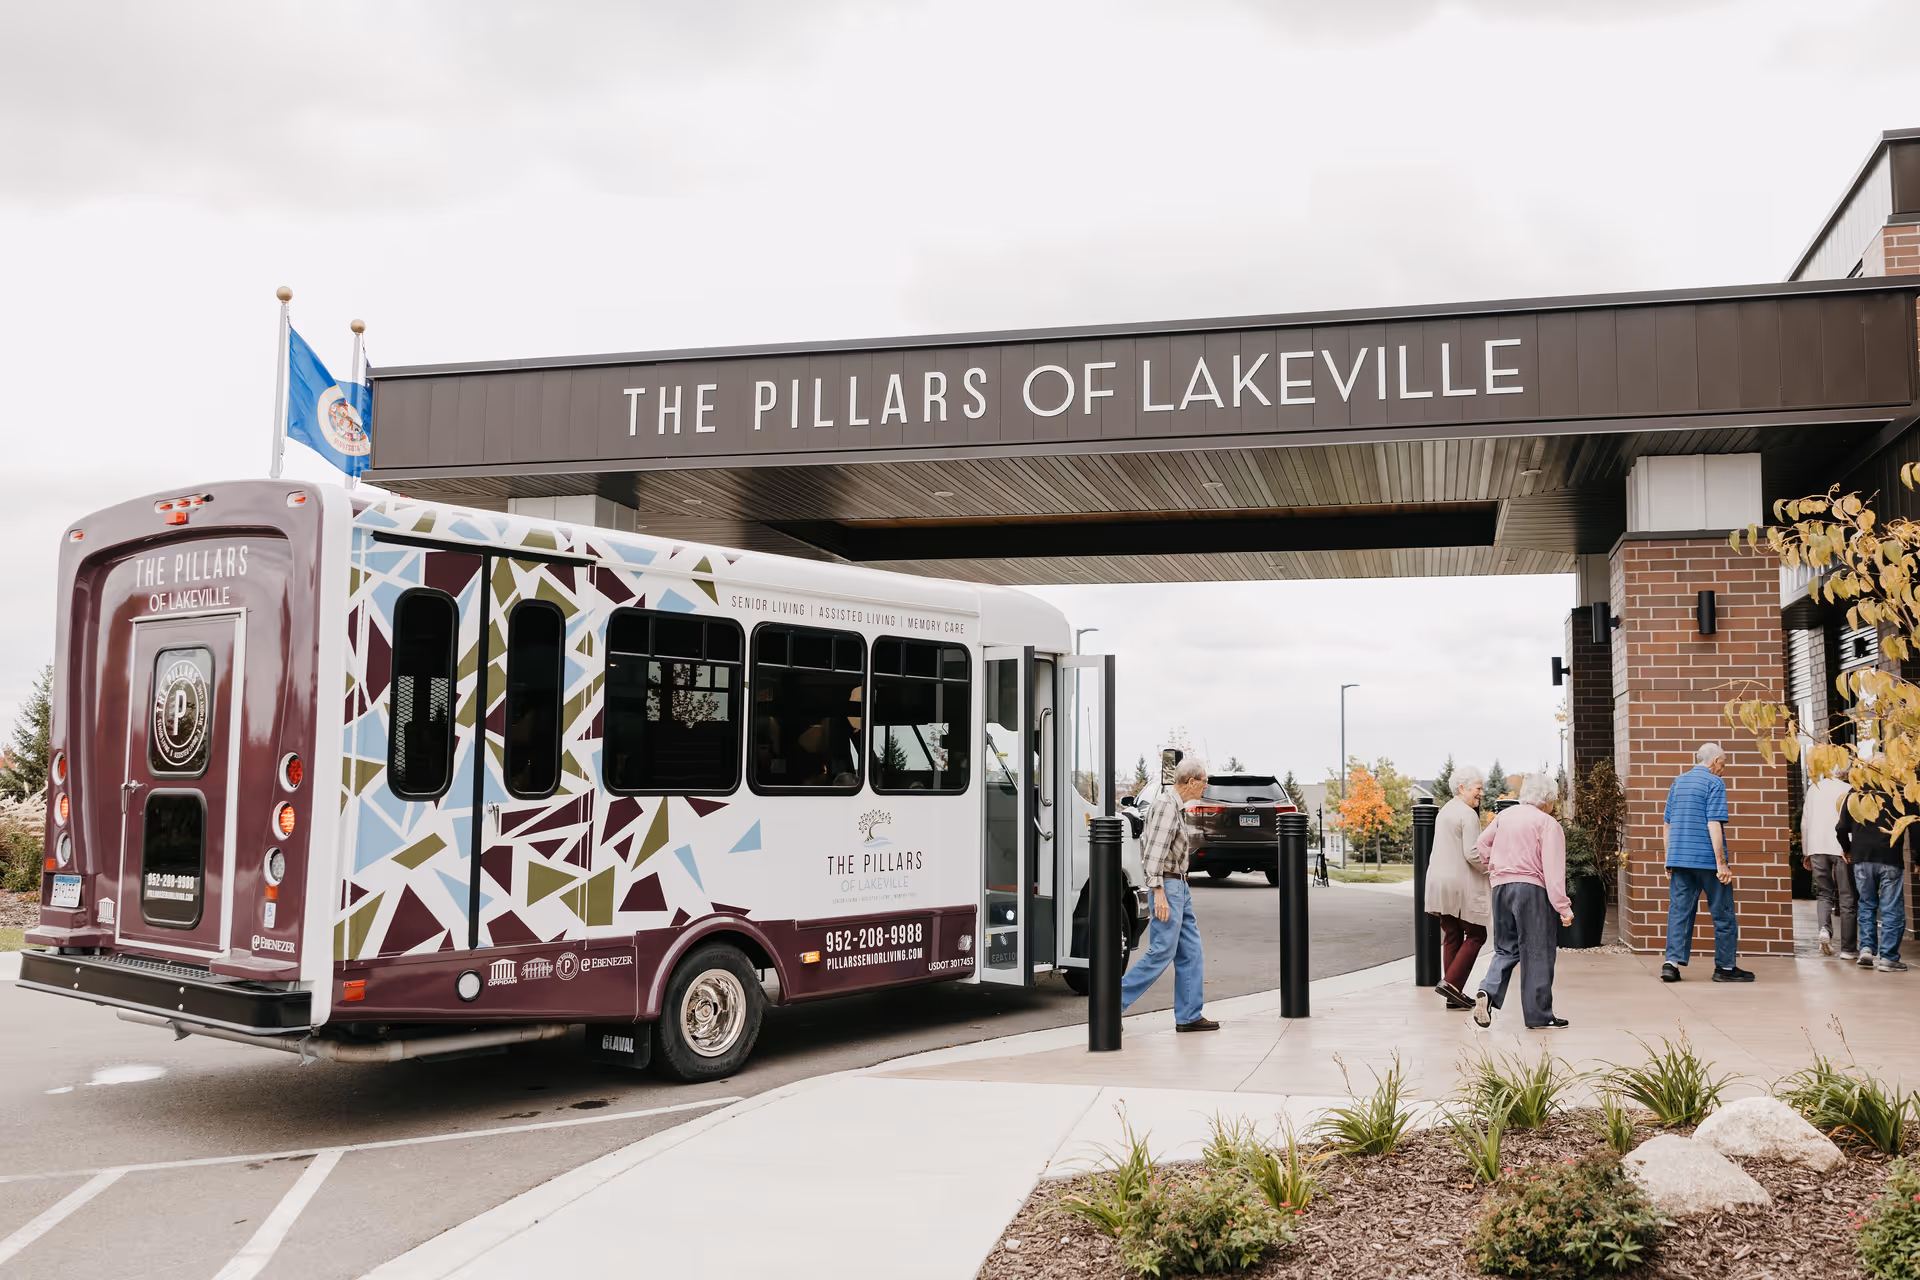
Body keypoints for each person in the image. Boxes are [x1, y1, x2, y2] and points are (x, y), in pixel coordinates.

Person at [1119, 756, 1219, 1031]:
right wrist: (1158, 891)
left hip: (1179, 886)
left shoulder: (1175, 805)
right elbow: (1153, 854)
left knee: (1191, 953)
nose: (1206, 785)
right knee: (1162, 951)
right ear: (1191, 781)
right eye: (1204, 780)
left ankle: (1189, 1015)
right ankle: (1111, 1002)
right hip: (1167, 886)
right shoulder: (1165, 805)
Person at [1471, 772, 1573, 1029]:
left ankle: (1488, 990)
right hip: (1531, 891)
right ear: (1548, 800)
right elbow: (1553, 870)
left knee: (1506, 948)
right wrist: (1563, 907)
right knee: (1537, 951)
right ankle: (1540, 1015)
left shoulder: (1505, 816)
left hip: (1501, 887)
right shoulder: (1547, 823)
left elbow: (1482, 843)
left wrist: (1493, 866)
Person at [1660, 743, 1753, 983]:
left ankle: (1670, 964)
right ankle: (1725, 967)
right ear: (1714, 762)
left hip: (1680, 859)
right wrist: (1721, 863)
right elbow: (1714, 824)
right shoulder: (1714, 783)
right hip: (1706, 861)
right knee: (1723, 914)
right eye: (1724, 763)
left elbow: (1667, 824)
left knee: (1679, 912)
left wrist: (1668, 858)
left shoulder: (1678, 782)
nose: (1724, 769)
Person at [1428, 765, 1492, 1009]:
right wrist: (1491, 866)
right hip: (1458, 884)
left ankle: (1453, 996)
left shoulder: (1446, 810)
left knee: (1452, 934)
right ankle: (1451, 984)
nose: (1481, 794)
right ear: (1462, 788)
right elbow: (1472, 853)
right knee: (1477, 934)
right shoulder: (1467, 813)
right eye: (1478, 788)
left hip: (1438, 882)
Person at [1836, 791, 1909, 973]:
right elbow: (1915, 826)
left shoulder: (1855, 794)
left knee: (1866, 904)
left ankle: (1866, 950)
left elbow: (1841, 828)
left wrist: (1848, 849)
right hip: (1890, 856)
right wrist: (1917, 857)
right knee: (1891, 907)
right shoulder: (1898, 790)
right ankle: (1888, 958)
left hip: (1862, 858)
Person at [1802, 773, 1857, 959]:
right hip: (1841, 848)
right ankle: (1849, 948)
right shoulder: (1847, 789)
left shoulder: (1813, 788)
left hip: (1817, 847)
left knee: (1824, 893)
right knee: (1847, 896)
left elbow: (1805, 821)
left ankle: (1824, 929)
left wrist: (1806, 851)